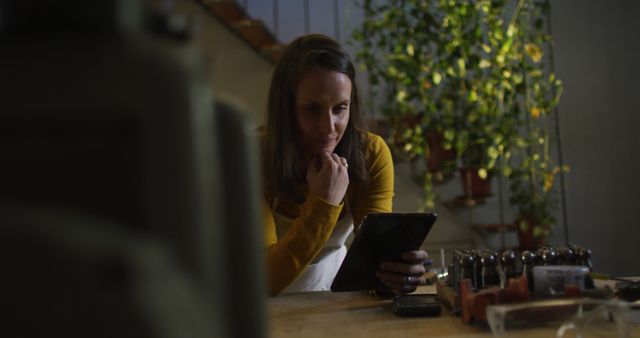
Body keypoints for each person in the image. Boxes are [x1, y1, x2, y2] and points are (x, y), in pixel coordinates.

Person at [261, 34, 429, 296]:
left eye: (340, 108)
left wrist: (398, 275)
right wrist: (323, 202)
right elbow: (262, 279)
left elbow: (376, 260)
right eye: (311, 109)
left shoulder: (370, 154)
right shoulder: (251, 156)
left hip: (331, 301)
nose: (328, 128)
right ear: (286, 108)